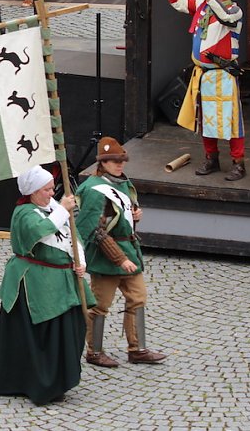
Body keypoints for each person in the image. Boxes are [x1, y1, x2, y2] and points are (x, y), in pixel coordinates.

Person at [0, 165, 92, 405]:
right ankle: (33, 382)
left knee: (70, 330)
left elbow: (72, 235)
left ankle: (60, 379)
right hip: (34, 285)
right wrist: (63, 211)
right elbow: (39, 231)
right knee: (39, 336)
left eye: (51, 189)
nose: (51, 193)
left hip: (62, 279)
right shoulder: (24, 213)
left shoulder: (53, 207)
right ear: (33, 191)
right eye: (46, 190)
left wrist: (81, 261)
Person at [75, 137, 166, 368]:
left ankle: (138, 349)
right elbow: (93, 230)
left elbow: (123, 213)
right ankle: (94, 352)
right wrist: (120, 258)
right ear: (102, 163)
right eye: (114, 161)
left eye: (121, 160)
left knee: (138, 299)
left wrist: (135, 215)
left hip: (128, 250)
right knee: (100, 306)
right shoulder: (93, 190)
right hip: (107, 257)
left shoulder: (123, 183)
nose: (119, 164)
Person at [161, 0, 246, 181]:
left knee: (231, 120)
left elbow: (224, 16)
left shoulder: (234, 11)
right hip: (204, 75)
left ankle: (238, 162)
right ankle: (212, 158)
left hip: (224, 75)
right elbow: (177, 1)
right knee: (205, 121)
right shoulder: (204, 5)